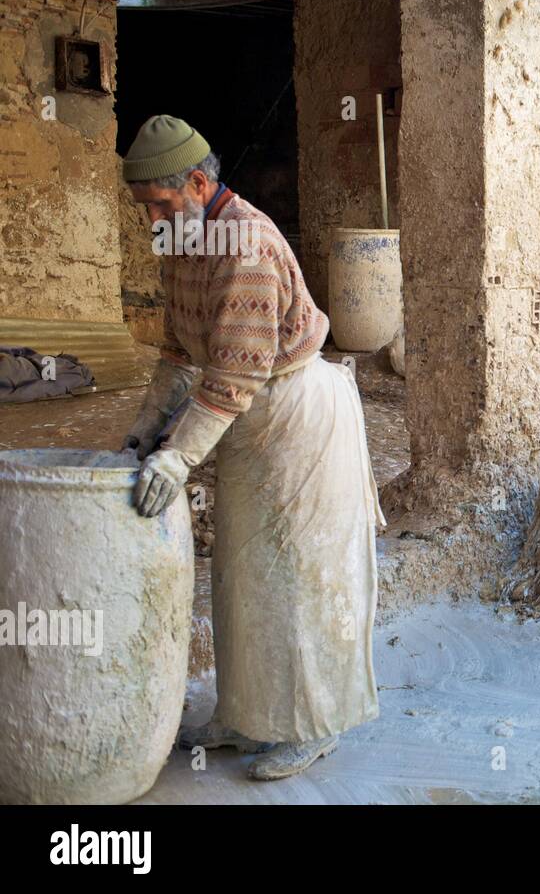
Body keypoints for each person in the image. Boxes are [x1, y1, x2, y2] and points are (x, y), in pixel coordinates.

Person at [120, 114, 382, 780]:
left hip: (295, 414)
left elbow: (235, 373)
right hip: (248, 419)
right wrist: (149, 425)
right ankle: (246, 716)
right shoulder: (181, 239)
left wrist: (178, 456)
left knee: (301, 578)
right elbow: (182, 351)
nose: (149, 216)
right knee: (244, 576)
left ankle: (312, 725)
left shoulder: (246, 246)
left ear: (200, 183)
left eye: (158, 202)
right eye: (143, 206)